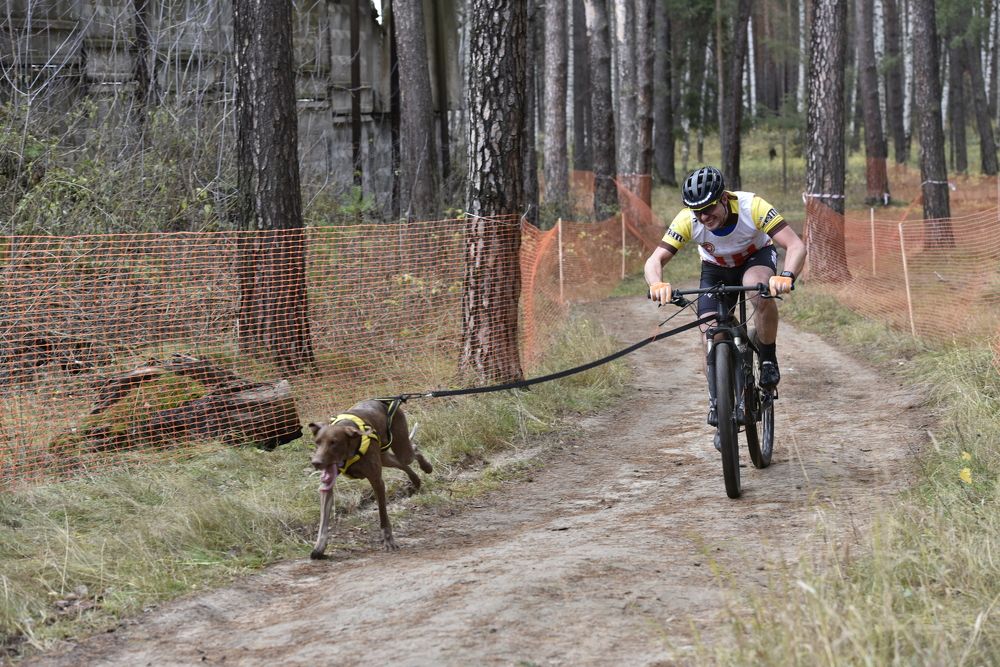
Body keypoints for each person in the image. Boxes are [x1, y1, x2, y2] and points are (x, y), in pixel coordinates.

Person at [644, 165, 806, 427]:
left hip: (756, 257)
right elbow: (654, 260)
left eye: (708, 208)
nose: (704, 217)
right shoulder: (688, 220)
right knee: (708, 329)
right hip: (716, 269)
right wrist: (656, 283)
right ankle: (717, 400)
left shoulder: (752, 206)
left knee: (756, 288)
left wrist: (786, 275)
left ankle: (767, 358)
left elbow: (796, 245)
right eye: (697, 211)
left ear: (724, 198)